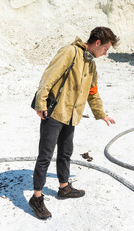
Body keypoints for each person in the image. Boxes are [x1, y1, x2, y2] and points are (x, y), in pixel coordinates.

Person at [29, 27, 119, 219]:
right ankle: (36, 197)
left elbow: (92, 92)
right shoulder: (70, 52)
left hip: (71, 116)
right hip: (54, 113)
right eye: (105, 49)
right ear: (97, 43)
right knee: (45, 155)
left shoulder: (91, 64)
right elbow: (49, 76)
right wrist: (40, 103)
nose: (106, 53)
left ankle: (64, 187)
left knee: (65, 152)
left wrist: (101, 113)